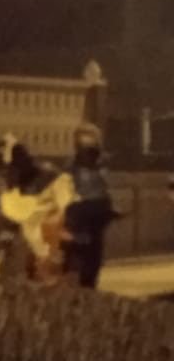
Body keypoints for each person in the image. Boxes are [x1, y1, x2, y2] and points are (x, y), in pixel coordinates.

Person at [0, 134, 74, 284]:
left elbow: (70, 214)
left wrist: (60, 247)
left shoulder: (53, 181)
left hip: (63, 258)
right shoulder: (9, 196)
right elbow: (10, 225)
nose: (5, 177)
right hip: (38, 261)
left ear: (21, 164)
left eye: (8, 171)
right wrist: (3, 254)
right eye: (1, 172)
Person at [60, 123, 118, 288]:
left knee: (91, 272)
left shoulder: (99, 171)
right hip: (75, 230)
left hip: (92, 230)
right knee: (75, 273)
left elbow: (105, 198)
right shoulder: (70, 171)